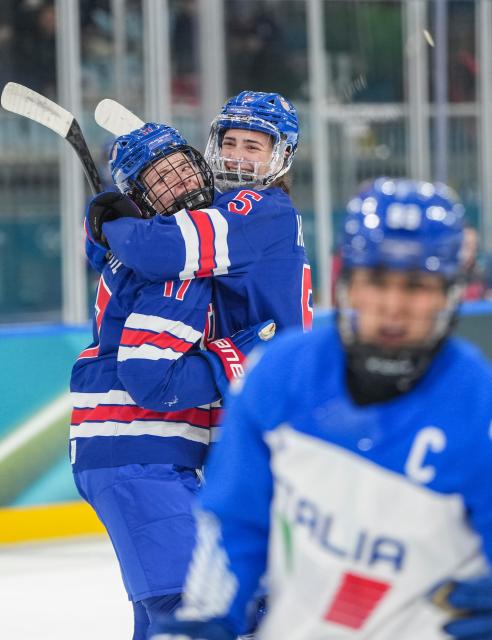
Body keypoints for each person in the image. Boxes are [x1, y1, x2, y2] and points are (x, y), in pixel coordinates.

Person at [148, 178, 492, 640]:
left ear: (450, 292)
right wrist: (207, 620)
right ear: (348, 281)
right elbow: (235, 523)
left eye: (417, 286)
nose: (393, 306)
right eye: (376, 280)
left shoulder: (479, 408)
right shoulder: (281, 374)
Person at [72, 123, 275, 640]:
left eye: (183, 165)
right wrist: (242, 351)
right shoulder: (174, 268)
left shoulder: (161, 251)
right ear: (141, 201)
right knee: (197, 613)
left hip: (139, 457)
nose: (180, 182)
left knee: (164, 619)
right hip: (139, 457)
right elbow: (148, 377)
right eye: (160, 179)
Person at [86, 90, 313, 342]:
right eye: (229, 143)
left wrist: (110, 222)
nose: (235, 156)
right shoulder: (227, 206)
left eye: (251, 147)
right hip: (257, 365)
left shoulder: (261, 212)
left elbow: (155, 250)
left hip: (271, 371)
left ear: (283, 154)